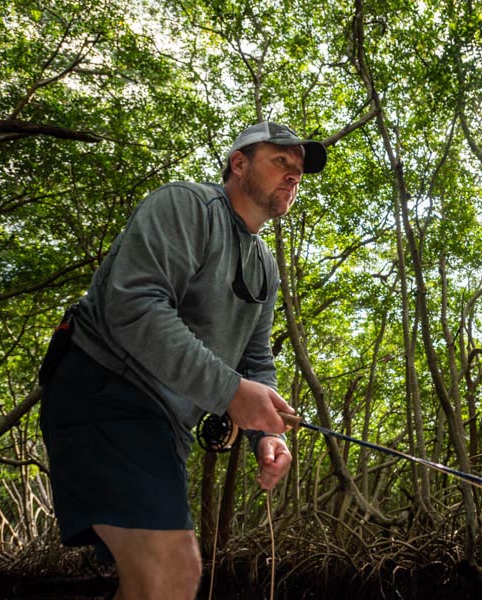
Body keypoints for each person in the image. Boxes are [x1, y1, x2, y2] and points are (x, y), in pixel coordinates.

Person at [39, 121, 327, 600]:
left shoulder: (266, 267)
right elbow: (135, 308)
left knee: (159, 580)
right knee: (171, 571)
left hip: (164, 425)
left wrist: (267, 433)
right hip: (104, 388)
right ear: (239, 163)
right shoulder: (185, 205)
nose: (293, 176)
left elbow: (255, 359)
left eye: (298, 172)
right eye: (281, 162)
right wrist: (230, 393)